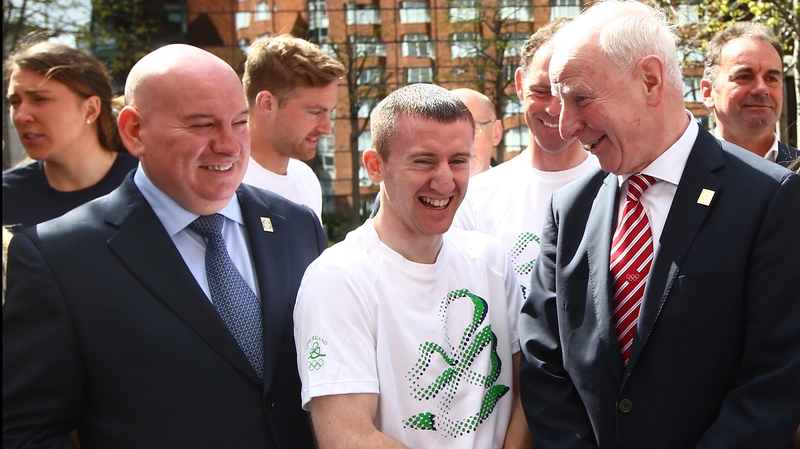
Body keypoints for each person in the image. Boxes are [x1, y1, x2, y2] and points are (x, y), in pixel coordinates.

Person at [3, 44, 326, 448]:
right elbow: (26, 430)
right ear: (134, 131)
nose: (229, 145)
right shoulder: (58, 258)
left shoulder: (297, 226)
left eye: (239, 122)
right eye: (202, 125)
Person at [518, 1, 800, 448]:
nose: (566, 125)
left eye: (580, 98)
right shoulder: (570, 209)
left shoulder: (770, 198)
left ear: (650, 80)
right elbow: (543, 363)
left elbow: (777, 377)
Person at [294, 83, 531, 448]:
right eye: (423, 161)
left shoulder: (490, 260)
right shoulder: (339, 278)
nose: (445, 181)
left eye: (458, 160)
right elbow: (347, 435)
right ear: (375, 166)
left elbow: (525, 389)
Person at [453, 18, 597, 299]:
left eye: (568, 93)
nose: (555, 109)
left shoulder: (620, 188)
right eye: (541, 91)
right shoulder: (475, 198)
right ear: (520, 84)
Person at [3, 42, 138, 233]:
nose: (21, 115)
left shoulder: (147, 182)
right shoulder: (8, 195)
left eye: (40, 99)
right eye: (15, 102)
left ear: (90, 109)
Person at [242, 34, 345, 222]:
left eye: (329, 112)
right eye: (314, 112)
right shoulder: (226, 185)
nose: (327, 128)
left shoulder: (306, 179)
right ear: (267, 104)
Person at [701, 22, 800, 167]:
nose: (761, 88)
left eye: (771, 79)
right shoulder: (682, 173)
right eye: (744, 76)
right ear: (708, 92)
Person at [451, 88, 503, 176]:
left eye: (473, 128)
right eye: (449, 131)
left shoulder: (517, 188)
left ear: (496, 133)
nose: (459, 142)